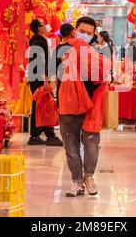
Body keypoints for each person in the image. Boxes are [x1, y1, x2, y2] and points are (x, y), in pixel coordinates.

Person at [57, 16, 111, 197]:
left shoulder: (95, 54)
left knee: (91, 145)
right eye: (82, 32)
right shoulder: (61, 50)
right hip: (68, 104)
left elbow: (101, 76)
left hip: (90, 106)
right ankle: (77, 181)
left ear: (94, 34)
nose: (85, 35)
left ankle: (89, 177)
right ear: (75, 30)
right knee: (70, 146)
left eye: (89, 33)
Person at [27, 19, 63, 147]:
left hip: (38, 77)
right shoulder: (38, 42)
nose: (46, 26)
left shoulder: (40, 41)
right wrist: (45, 79)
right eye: (43, 25)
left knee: (41, 105)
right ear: (39, 29)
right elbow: (39, 63)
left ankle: (40, 135)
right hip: (38, 78)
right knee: (42, 104)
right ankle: (46, 135)